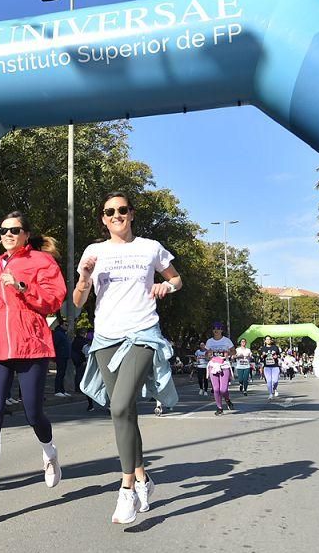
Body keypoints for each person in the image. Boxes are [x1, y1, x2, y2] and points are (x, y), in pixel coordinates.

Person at [75, 191, 182, 525]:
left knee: (121, 406)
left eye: (122, 210)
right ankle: (144, 477)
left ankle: (126, 490)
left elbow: (176, 278)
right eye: (110, 211)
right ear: (103, 219)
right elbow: (77, 301)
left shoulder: (150, 248)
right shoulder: (94, 252)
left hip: (142, 333)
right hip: (106, 337)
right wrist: (83, 278)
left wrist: (168, 287)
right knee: (124, 412)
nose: (117, 215)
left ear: (132, 214)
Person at [0, 211, 67, 519]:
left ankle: (50, 452)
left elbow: (53, 300)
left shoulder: (42, 262)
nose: (6, 234)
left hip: (31, 346)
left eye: (13, 230)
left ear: (25, 234)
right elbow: (3, 305)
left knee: (34, 413)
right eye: (3, 230)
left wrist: (21, 285)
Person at [206, 322, 234, 415]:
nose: (216, 330)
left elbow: (233, 351)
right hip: (213, 366)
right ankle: (219, 408)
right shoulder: (209, 341)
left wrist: (228, 353)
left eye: (218, 328)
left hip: (224, 366)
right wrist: (208, 354)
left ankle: (227, 399)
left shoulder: (227, 341)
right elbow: (206, 354)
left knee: (223, 389)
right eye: (214, 328)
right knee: (216, 389)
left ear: (221, 330)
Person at [52, 314, 71, 397]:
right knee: (60, 373)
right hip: (60, 356)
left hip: (64, 355)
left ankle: (62, 390)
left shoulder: (63, 334)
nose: (67, 327)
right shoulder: (58, 334)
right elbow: (55, 345)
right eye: (66, 325)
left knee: (62, 373)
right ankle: (58, 390)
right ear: (61, 325)